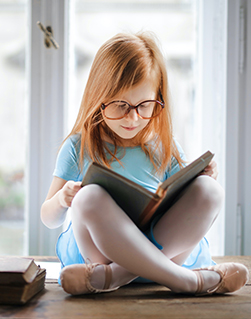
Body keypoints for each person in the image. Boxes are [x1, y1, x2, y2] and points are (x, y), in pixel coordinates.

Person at [41, 32, 248, 296]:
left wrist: (204, 176)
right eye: (120, 105)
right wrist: (62, 199)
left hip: (159, 252)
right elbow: (48, 218)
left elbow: (189, 198)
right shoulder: (79, 146)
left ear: (157, 99)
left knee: (210, 190)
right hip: (100, 254)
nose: (133, 117)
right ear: (98, 98)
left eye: (145, 105)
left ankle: (116, 276)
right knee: (87, 197)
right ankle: (187, 281)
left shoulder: (164, 144)